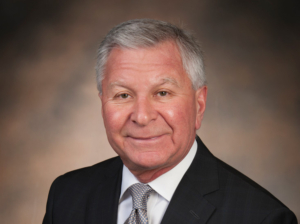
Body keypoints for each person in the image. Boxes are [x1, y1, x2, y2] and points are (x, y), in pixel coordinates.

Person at [43, 19, 297, 224]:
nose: (142, 117)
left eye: (162, 93)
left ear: (199, 105)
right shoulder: (67, 196)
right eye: (123, 95)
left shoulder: (262, 218)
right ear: (102, 104)